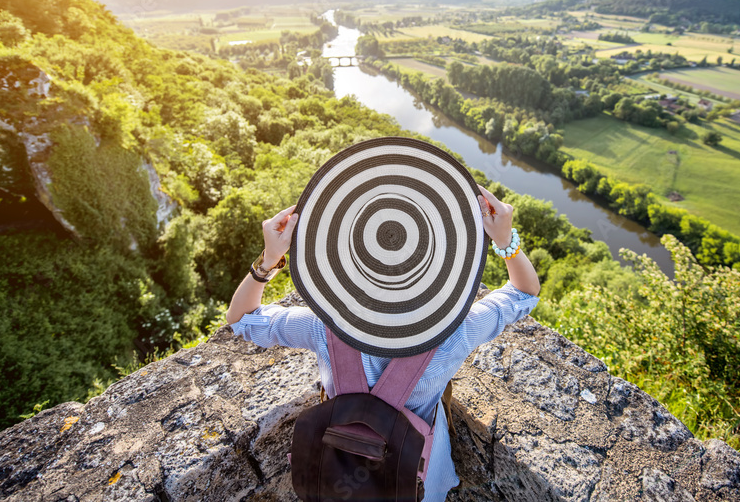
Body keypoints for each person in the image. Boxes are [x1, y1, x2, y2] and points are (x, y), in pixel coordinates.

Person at [226, 140, 539, 501]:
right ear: (439, 270)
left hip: (336, 472)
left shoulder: (324, 327)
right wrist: (505, 241)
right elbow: (525, 292)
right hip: (413, 480)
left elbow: (241, 320)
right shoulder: (459, 331)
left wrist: (270, 260)